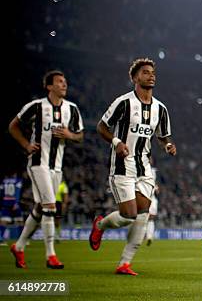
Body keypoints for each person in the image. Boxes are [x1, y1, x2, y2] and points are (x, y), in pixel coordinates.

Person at [88, 58, 176, 276]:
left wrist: (168, 145)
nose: (151, 75)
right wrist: (117, 142)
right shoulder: (124, 103)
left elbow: (163, 136)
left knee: (143, 214)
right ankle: (99, 226)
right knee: (128, 215)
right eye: (145, 72)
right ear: (136, 78)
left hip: (144, 167)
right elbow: (102, 127)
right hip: (122, 165)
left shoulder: (160, 108)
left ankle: (124, 263)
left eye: (152, 72)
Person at [8, 70, 84, 269]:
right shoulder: (36, 106)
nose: (64, 84)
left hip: (56, 167)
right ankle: (51, 255)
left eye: (65, 81)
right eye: (59, 82)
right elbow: (13, 126)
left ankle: (19, 246)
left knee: (41, 209)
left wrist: (69, 134)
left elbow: (80, 136)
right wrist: (26, 145)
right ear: (49, 86)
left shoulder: (72, 109)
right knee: (50, 206)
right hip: (38, 163)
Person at [0, 172, 24, 246]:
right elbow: (17, 192)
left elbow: (1, 193)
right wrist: (16, 202)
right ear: (14, 174)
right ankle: (22, 240)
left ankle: (0, 239)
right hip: (14, 202)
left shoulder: (3, 181)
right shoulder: (18, 181)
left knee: (4, 221)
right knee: (20, 221)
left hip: (6, 203)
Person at [144, 167, 159, 246]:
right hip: (145, 198)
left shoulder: (154, 184)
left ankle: (149, 236)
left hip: (151, 199)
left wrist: (156, 190)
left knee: (150, 217)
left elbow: (157, 193)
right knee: (146, 217)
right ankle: (147, 235)